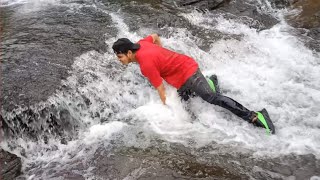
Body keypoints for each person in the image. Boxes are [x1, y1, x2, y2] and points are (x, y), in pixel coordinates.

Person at [112, 34, 275, 134]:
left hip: (188, 72)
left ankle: (254, 116)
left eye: (120, 57)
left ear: (129, 52)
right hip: (181, 74)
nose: (120, 61)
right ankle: (210, 82)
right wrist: (163, 54)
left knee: (211, 98)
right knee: (186, 104)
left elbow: (161, 91)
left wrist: (165, 109)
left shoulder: (145, 65)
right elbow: (154, 36)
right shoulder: (142, 43)